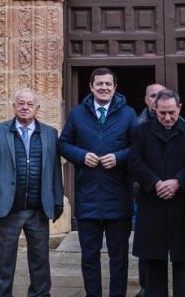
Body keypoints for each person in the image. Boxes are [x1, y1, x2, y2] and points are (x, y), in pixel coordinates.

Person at [59, 67, 138, 297]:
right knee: (89, 257)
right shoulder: (77, 114)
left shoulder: (128, 114)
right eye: (99, 84)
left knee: (119, 258)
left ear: (115, 88)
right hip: (88, 198)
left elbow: (139, 149)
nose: (104, 88)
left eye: (108, 84)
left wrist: (119, 157)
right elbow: (63, 144)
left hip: (118, 198)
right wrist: (82, 156)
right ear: (91, 87)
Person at [0, 88, 64, 297]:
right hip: (9, 207)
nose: (25, 107)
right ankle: (2, 294)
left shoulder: (50, 133)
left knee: (40, 258)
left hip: (38, 208)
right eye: (21, 103)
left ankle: (40, 294)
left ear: (37, 108)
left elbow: (55, 170)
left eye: (29, 104)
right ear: (14, 106)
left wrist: (57, 200)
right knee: (4, 258)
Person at [130, 89, 185, 297]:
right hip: (152, 204)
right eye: (162, 113)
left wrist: (179, 181)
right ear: (154, 109)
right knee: (153, 264)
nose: (167, 117)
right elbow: (135, 162)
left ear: (179, 108)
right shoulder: (142, 132)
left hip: (182, 206)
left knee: (182, 264)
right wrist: (155, 183)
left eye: (171, 112)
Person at [134, 82, 166, 297]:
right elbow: (134, 161)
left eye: (160, 95)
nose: (156, 100)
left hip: (173, 192)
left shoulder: (179, 122)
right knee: (147, 246)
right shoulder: (137, 126)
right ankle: (147, 288)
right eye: (153, 95)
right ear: (146, 100)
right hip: (144, 192)